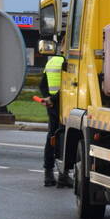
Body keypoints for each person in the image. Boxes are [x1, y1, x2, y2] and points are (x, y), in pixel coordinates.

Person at [39, 52, 71, 188]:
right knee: (64, 139)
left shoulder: (51, 61)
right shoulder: (67, 62)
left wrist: (48, 98)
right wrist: (53, 99)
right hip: (64, 105)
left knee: (51, 137)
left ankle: (48, 174)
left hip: (52, 105)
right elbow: (67, 86)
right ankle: (63, 176)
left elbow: (42, 85)